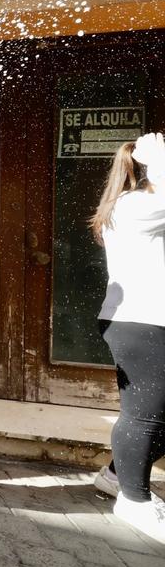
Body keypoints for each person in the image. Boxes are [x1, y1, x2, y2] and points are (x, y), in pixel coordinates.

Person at [90, 132, 165, 542]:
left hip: (152, 320)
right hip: (141, 321)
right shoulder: (136, 205)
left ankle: (116, 476)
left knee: (155, 413)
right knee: (144, 413)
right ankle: (133, 501)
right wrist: (157, 156)